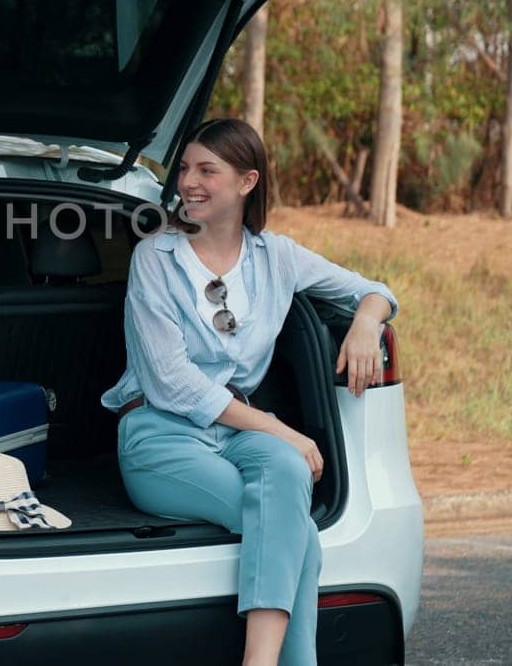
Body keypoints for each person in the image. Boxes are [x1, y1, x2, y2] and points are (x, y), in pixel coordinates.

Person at [101, 117, 397, 666]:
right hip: (161, 433)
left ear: (246, 182)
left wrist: (364, 325)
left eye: (206, 170)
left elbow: (375, 291)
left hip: (235, 434)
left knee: (285, 480)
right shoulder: (154, 259)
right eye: (185, 168)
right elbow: (173, 382)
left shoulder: (277, 257)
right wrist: (281, 429)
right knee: (295, 531)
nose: (189, 181)